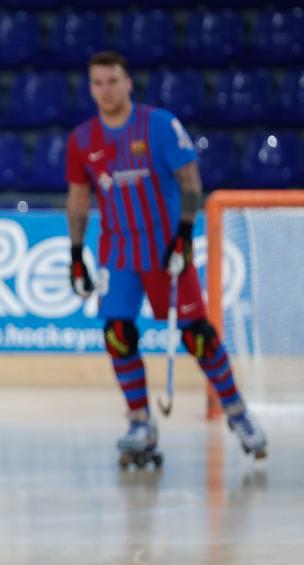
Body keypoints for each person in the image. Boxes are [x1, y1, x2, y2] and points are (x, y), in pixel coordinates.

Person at [65, 51, 267, 465]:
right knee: (117, 335)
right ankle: (140, 422)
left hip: (165, 248)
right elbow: (79, 196)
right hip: (119, 252)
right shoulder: (82, 140)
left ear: (128, 83)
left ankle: (238, 413)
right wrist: (75, 253)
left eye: (112, 81)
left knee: (197, 336)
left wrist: (183, 235)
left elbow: (190, 179)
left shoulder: (158, 124)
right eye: (97, 83)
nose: (105, 90)